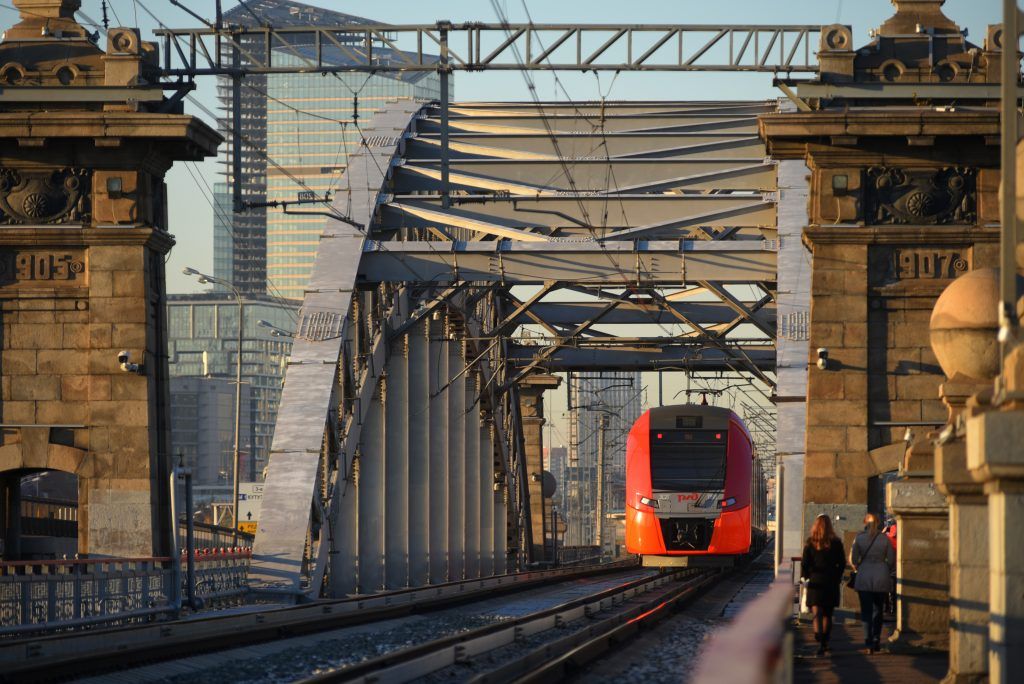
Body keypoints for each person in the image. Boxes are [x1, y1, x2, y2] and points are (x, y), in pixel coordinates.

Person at [801, 513, 846, 656]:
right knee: (827, 614)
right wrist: (837, 576)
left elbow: (805, 564)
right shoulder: (836, 543)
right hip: (830, 582)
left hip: (815, 582)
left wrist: (806, 577)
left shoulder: (810, 542)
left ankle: (818, 638)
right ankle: (825, 642)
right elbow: (842, 563)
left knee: (817, 613)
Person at [851, 512, 896, 654]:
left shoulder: (859, 538)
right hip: (881, 575)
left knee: (866, 611)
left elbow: (853, 559)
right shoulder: (884, 539)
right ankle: (876, 638)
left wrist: (859, 566)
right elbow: (892, 559)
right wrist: (885, 568)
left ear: (865, 522)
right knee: (878, 610)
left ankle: (868, 641)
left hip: (864, 575)